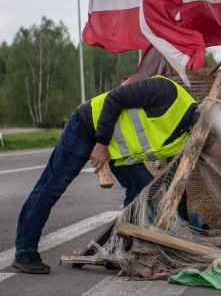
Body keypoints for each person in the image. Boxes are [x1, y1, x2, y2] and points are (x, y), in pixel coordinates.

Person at [13, 75, 198, 275]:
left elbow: (177, 185)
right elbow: (115, 98)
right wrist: (101, 143)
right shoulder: (167, 92)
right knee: (52, 185)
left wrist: (184, 231)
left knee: (143, 188)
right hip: (87, 126)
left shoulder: (188, 138)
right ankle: (25, 251)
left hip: (117, 150)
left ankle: (117, 251)